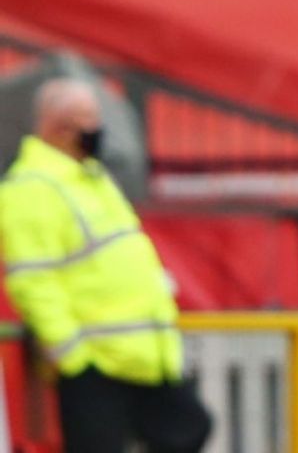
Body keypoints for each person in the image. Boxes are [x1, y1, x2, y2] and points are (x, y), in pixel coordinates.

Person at [0, 78, 211, 453]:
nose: (96, 132)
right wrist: (73, 357)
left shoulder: (90, 176)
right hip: (95, 363)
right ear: (57, 128)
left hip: (144, 355)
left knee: (190, 427)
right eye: (87, 121)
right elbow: (32, 282)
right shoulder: (29, 189)